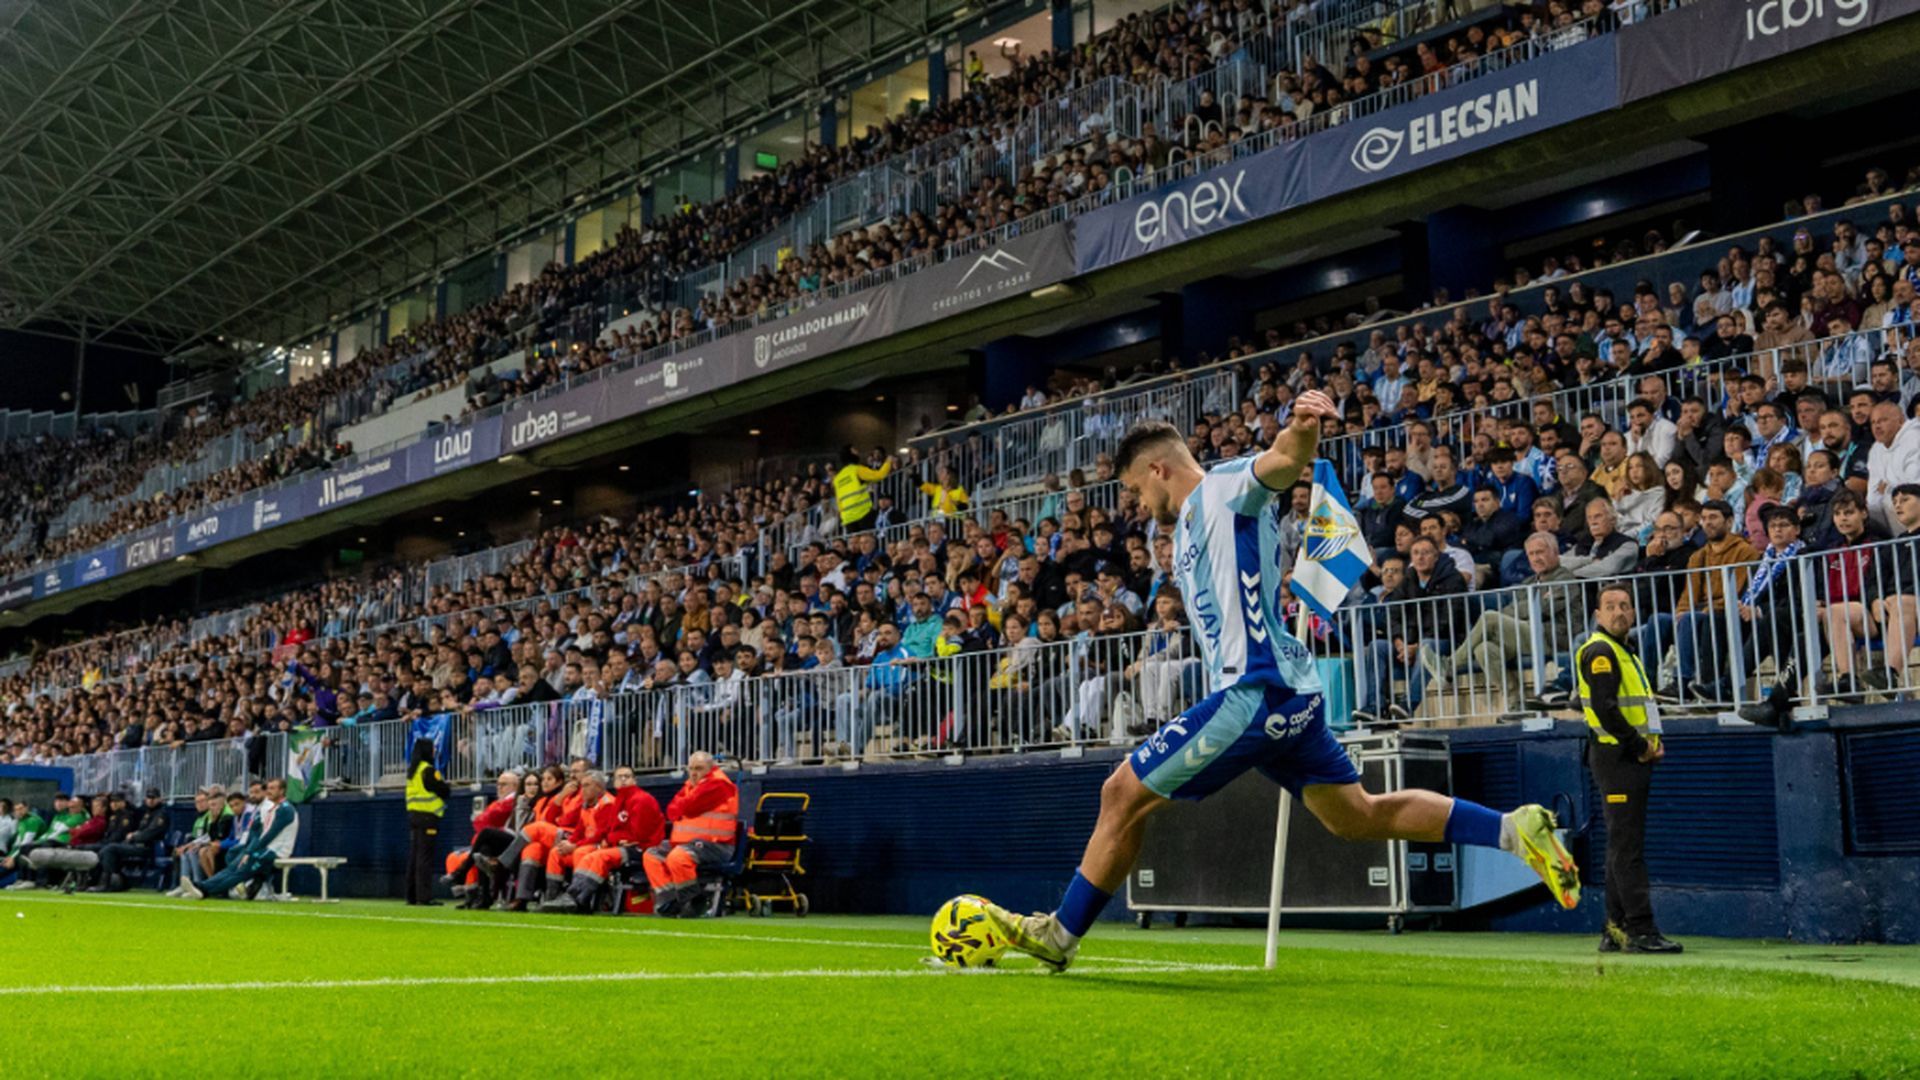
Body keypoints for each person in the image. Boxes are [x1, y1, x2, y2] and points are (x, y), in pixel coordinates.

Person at [983, 408, 1582, 974]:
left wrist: (1301, 429)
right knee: (1357, 817)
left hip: (1255, 694)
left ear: (1157, 469)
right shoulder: (1195, 519)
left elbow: (1281, 462)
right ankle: (1513, 828)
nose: (1141, 504)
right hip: (1290, 691)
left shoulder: (1222, 488)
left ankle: (1058, 937)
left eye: (1139, 489)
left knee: (1121, 794)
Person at [1577, 585, 1681, 954]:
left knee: (1620, 846)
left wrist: (1651, 740)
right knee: (1627, 848)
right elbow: (1606, 709)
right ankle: (1641, 930)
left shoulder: (1622, 650)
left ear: (1634, 613)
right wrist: (1639, 747)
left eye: (1624, 606)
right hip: (1618, 758)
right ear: (1598, 615)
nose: (1619, 612)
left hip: (1623, 756)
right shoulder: (1601, 651)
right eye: (1611, 607)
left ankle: (1616, 930)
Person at [642, 751, 739, 916]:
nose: (694, 773)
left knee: (678, 857)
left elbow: (689, 807)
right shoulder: (691, 785)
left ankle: (693, 902)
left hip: (716, 845)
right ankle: (669, 900)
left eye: (699, 768)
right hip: (689, 843)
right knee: (651, 854)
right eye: (691, 768)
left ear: (711, 768)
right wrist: (683, 805)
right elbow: (671, 810)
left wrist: (683, 805)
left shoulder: (719, 784)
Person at [183, 778, 299, 901]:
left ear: (282, 791)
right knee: (233, 868)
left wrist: (249, 852)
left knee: (240, 871)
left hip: (276, 851)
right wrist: (248, 850)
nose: (269, 791)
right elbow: (258, 833)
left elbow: (269, 835)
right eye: (268, 788)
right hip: (265, 848)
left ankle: (205, 889)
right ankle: (202, 887)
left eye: (273, 788)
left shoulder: (286, 809)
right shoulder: (274, 809)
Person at [91, 788, 170, 892]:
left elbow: (149, 834)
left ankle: (105, 883)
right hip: (137, 845)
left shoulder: (161, 814)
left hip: (148, 847)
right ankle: (113, 881)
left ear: (159, 799)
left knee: (110, 849)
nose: (150, 800)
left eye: (153, 798)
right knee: (107, 849)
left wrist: (134, 836)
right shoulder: (146, 812)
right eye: (148, 797)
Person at [404, 738, 451, 906]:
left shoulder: (412, 772)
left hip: (414, 817)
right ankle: (423, 897)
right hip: (428, 818)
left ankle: (411, 895)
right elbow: (444, 790)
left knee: (414, 857)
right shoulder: (428, 771)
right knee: (425, 858)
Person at [834, 447, 894, 533]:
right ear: (851, 454)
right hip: (863, 513)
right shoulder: (857, 469)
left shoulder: (838, 478)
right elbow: (879, 475)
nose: (858, 452)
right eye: (855, 450)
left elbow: (839, 502)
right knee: (867, 542)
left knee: (854, 544)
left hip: (847, 518)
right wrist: (888, 462)